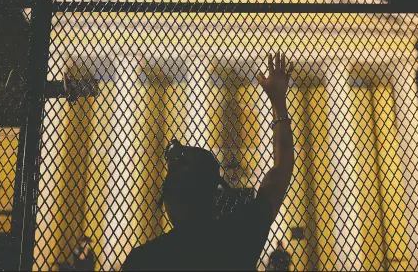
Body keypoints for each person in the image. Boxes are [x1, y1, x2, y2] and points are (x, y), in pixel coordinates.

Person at [122, 52, 295, 271]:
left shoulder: (144, 260)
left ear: (168, 202)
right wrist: (278, 101)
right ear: (214, 197)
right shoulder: (238, 240)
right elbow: (281, 171)